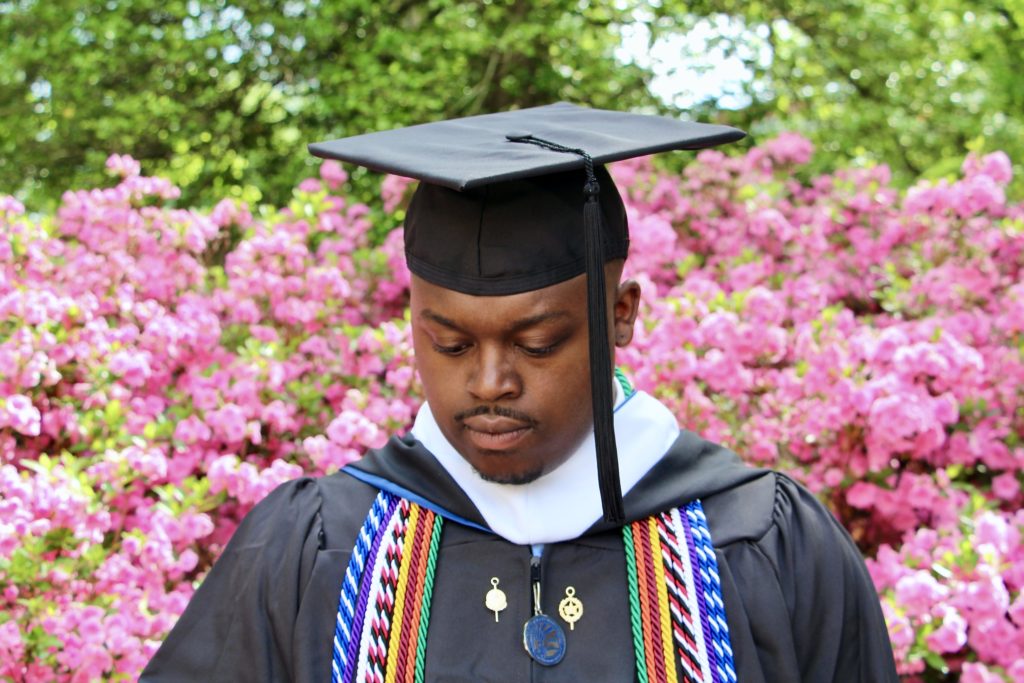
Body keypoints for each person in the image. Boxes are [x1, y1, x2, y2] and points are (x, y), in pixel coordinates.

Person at [141, 103, 899, 682]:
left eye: (538, 343)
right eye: (450, 342)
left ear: (622, 315)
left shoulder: (766, 540)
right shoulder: (314, 548)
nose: (490, 382)